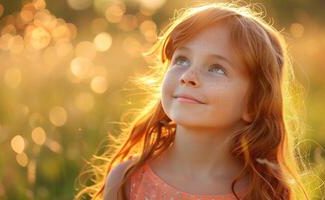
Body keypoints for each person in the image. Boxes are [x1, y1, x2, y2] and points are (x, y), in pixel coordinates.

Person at [75, 2, 310, 200]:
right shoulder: (127, 179)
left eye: (216, 68)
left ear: (253, 103)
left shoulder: (262, 193)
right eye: (182, 60)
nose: (188, 77)